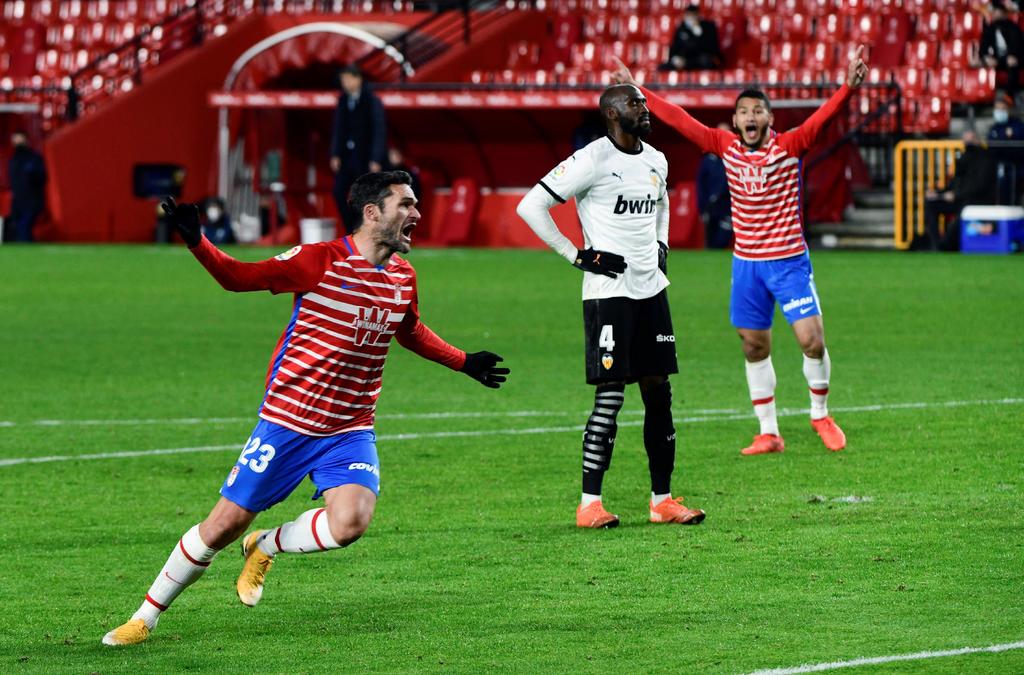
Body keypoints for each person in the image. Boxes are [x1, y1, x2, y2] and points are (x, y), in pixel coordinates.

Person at [101, 171, 509, 646]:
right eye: (406, 204)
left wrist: (464, 362)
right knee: (221, 527)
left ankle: (265, 544)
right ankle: (144, 618)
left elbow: (409, 330)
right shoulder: (318, 261)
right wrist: (198, 242)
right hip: (288, 423)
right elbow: (240, 278)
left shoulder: (403, 275)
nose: (417, 214)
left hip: (350, 428)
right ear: (372, 212)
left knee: (350, 523)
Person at [612, 47, 869, 456]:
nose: (751, 117)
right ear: (735, 121)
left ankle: (820, 413)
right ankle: (769, 432)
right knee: (753, 345)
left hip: (787, 262)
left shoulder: (789, 146)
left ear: (770, 119)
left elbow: (822, 120)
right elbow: (679, 118)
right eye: (744, 111)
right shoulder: (724, 147)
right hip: (747, 265)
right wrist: (636, 89)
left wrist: (847, 89)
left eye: (758, 111)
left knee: (811, 340)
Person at [516, 84, 706, 529]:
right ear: (611, 114)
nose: (644, 109)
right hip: (609, 296)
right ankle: (589, 504)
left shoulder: (657, 159)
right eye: (634, 103)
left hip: (652, 289)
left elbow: (662, 204)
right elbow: (532, 205)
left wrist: (662, 242)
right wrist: (576, 255)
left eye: (643, 102)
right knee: (612, 396)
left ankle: (662, 500)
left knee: (659, 394)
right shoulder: (591, 159)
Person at [330, 64, 387, 234]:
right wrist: (335, 153)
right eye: (343, 80)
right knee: (339, 191)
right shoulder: (342, 100)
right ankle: (352, 229)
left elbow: (379, 130)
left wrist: (376, 158)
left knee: (365, 196)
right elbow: (338, 129)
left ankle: (369, 231)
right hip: (347, 157)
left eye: (347, 79)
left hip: (365, 158)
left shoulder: (372, 101)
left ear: (358, 79)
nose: (345, 83)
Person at [923, 130, 998, 251]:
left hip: (976, 200)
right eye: (966, 139)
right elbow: (955, 182)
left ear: (978, 140)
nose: (968, 142)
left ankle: (948, 245)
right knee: (931, 203)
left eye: (971, 138)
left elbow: (980, 186)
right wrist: (938, 193)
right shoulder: (962, 159)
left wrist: (956, 195)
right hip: (959, 198)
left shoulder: (986, 159)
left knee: (964, 210)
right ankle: (937, 244)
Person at [5, 130, 47, 242]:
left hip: (31, 201)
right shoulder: (13, 161)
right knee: (19, 230)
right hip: (18, 203)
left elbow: (42, 178)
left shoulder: (34, 159)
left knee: (24, 228)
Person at [697, 122, 733, 249]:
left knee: (722, 240)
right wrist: (702, 208)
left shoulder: (735, 158)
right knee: (711, 244)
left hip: (728, 207)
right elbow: (701, 185)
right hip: (711, 208)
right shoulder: (708, 160)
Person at [981, 1, 1024, 100]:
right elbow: (983, 47)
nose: (993, 13)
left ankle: (1009, 97)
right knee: (979, 63)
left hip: (1015, 59)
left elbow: (1015, 50)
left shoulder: (1013, 27)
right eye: (992, 11)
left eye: (995, 11)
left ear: (1002, 12)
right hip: (998, 59)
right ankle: (986, 97)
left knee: (1012, 63)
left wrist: (1000, 60)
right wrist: (986, 57)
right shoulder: (990, 28)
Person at [659, 4, 722, 72]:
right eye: (688, 15)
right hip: (685, 61)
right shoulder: (681, 28)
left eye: (693, 15)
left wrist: (698, 32)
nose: (691, 18)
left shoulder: (709, 27)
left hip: (700, 60)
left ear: (698, 15)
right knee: (663, 67)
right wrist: (676, 58)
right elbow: (675, 47)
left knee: (706, 61)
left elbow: (712, 49)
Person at [986, 92, 1024, 202]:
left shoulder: (1018, 125)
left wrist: (1004, 138)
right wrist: (1006, 136)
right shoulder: (994, 128)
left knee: (1014, 197)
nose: (999, 112)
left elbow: (1017, 147)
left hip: (1016, 169)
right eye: (997, 109)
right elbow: (992, 146)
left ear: (1008, 110)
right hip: (998, 168)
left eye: (1002, 108)